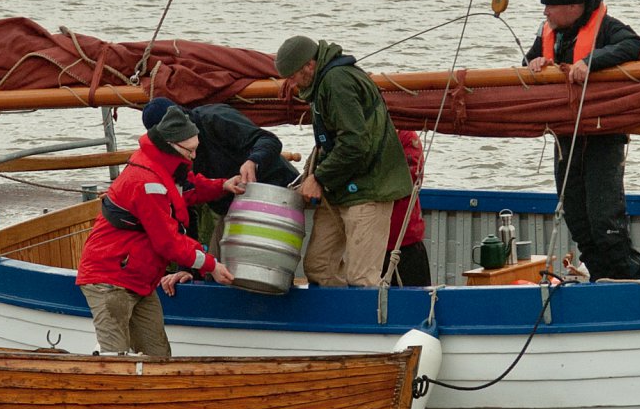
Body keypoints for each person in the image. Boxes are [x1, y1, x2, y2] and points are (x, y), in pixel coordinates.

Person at [76, 106, 244, 356]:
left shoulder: (162, 165)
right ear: (171, 145)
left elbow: (185, 188)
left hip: (139, 279)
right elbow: (169, 243)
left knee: (158, 356)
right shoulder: (147, 183)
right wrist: (211, 265)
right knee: (115, 357)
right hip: (110, 278)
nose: (195, 156)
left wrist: (222, 186)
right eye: (191, 151)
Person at [523, 0, 640, 281]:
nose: (545, 13)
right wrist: (534, 63)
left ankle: (629, 279)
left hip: (602, 136)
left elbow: (635, 45)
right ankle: (600, 277)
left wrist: (591, 60)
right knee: (578, 219)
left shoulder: (606, 26)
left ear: (571, 7)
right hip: (566, 137)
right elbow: (527, 59)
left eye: (550, 7)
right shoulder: (550, 30)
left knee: (605, 218)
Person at [274, 35, 412, 287]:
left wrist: (319, 177)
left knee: (361, 278)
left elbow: (355, 142)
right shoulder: (323, 83)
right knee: (318, 266)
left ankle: (369, 321)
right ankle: (333, 323)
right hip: (340, 188)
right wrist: (313, 175)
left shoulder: (337, 81)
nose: (291, 83)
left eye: (292, 75)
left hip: (369, 189)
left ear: (309, 65)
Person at [140, 97, 300, 253]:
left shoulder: (216, 118)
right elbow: (185, 200)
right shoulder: (170, 152)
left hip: (276, 191)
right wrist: (188, 267)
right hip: (231, 207)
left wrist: (253, 161)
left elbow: (269, 140)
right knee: (214, 269)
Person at [382, 130, 431, 287]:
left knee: (416, 304)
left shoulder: (407, 137)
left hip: (405, 243)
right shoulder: (361, 133)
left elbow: (407, 182)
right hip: (370, 243)